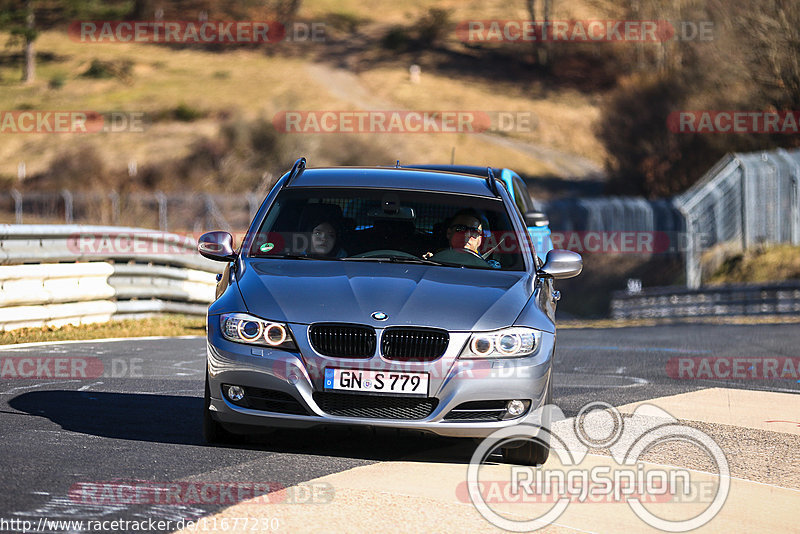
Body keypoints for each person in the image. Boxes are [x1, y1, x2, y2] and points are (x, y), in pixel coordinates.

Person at [429, 209, 496, 267]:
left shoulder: (491, 267)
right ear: (449, 233)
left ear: (480, 239)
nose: (467, 235)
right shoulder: (433, 260)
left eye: (474, 230)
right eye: (460, 229)